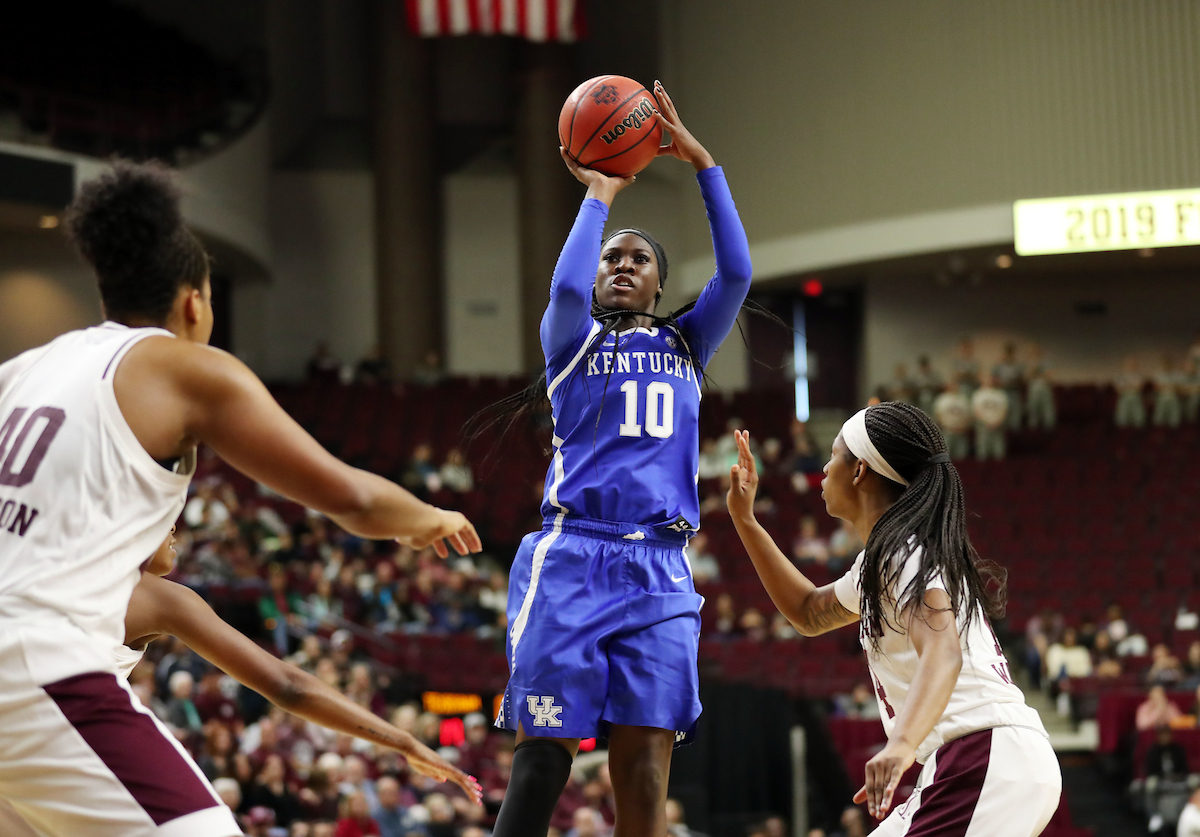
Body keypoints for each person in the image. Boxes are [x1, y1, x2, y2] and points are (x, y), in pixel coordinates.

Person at [0, 160, 480, 837]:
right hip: (36, 660)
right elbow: (349, 496)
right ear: (195, 301)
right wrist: (429, 516)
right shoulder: (178, 363)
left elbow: (289, 684)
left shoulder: (21, 370)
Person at [485, 81, 752, 837]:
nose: (623, 265)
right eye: (613, 258)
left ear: (663, 282)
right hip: (572, 556)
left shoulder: (686, 344)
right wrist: (601, 189)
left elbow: (735, 274)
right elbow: (565, 283)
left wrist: (703, 163)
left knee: (642, 775)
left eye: (639, 258)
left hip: (660, 569)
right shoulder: (571, 341)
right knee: (543, 762)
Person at [726, 402, 1060, 832]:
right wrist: (746, 520)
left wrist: (900, 746)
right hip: (981, 761)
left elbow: (943, 651)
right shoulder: (884, 559)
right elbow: (809, 614)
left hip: (985, 756)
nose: (825, 469)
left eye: (833, 456)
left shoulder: (903, 552)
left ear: (860, 470)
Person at [971, 375, 1008, 461]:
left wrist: (998, 421)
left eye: (991, 380)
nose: (989, 382)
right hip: (983, 426)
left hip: (998, 425)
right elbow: (975, 410)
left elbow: (1004, 410)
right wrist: (986, 423)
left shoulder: (1000, 394)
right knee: (982, 451)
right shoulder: (978, 394)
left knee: (999, 451)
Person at [931, 384, 971, 460]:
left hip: (961, 431)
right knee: (945, 455)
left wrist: (963, 426)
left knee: (961, 456)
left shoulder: (963, 399)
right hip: (947, 431)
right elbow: (938, 415)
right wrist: (947, 426)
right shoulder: (942, 399)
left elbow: (968, 415)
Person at [1025, 345, 1056, 430]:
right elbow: (1026, 378)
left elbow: (1050, 377)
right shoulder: (1029, 364)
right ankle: (1033, 429)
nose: (1033, 354)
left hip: (1044, 388)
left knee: (1047, 411)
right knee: (1033, 409)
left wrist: (1039, 374)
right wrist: (1034, 370)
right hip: (1033, 388)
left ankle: (1049, 428)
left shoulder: (1046, 363)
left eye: (1035, 351)